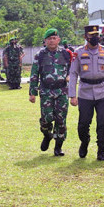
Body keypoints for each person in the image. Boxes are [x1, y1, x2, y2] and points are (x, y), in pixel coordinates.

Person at [68, 25, 104, 161]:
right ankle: (84, 142)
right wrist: (72, 95)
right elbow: (73, 74)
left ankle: (101, 150)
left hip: (102, 92)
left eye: (96, 35)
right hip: (85, 92)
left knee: (103, 122)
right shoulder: (78, 52)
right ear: (85, 37)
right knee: (83, 123)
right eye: (91, 35)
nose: (95, 38)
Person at [30, 28, 73, 156]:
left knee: (61, 120)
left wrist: (70, 78)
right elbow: (34, 74)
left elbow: (73, 71)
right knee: (46, 119)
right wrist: (32, 92)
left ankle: (58, 147)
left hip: (62, 91)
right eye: (49, 39)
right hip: (46, 91)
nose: (52, 41)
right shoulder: (40, 55)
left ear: (58, 39)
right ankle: (47, 135)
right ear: (45, 41)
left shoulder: (66, 54)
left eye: (54, 38)